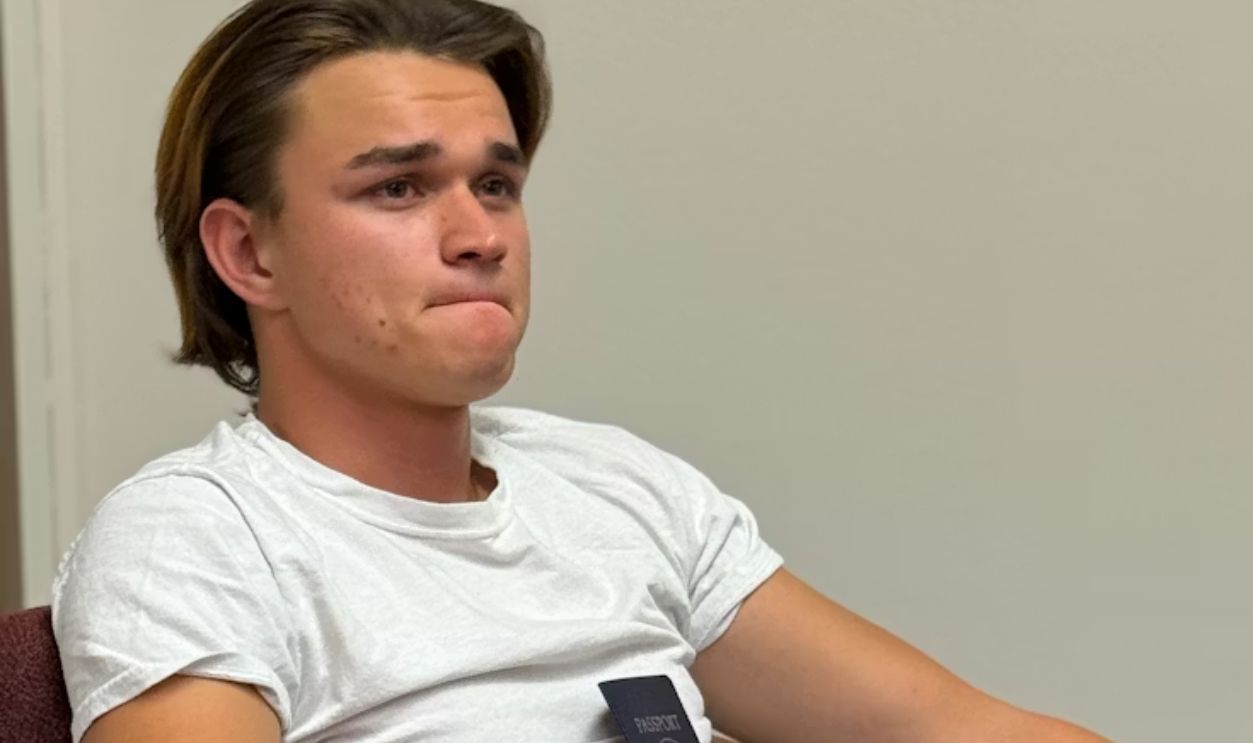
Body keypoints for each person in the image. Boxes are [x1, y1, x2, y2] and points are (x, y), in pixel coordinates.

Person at [50, 1, 1113, 742]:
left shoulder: (614, 486)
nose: (480, 235)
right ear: (249, 253)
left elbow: (959, 727)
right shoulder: (193, 540)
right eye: (398, 189)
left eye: (496, 185)